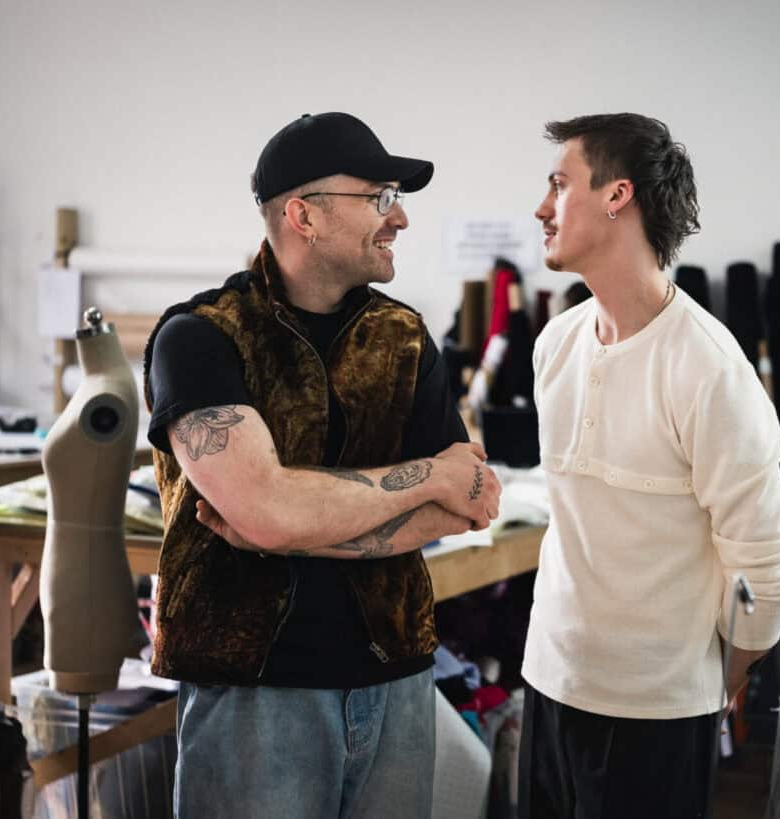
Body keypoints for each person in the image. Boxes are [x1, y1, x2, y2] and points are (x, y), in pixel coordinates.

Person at [142, 111, 501, 819]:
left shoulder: (404, 339)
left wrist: (281, 521)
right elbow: (268, 510)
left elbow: (470, 502)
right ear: (303, 214)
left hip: (396, 679)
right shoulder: (202, 338)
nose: (397, 218)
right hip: (254, 691)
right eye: (378, 197)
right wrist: (425, 475)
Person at [519, 113, 780, 818]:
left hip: (656, 716)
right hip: (549, 683)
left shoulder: (709, 370)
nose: (542, 207)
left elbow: (766, 575)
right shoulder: (555, 344)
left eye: (559, 185)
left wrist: (707, 681)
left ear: (618, 196)